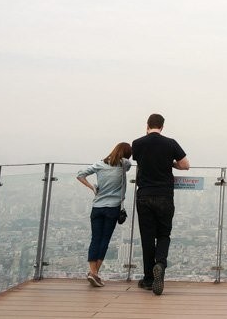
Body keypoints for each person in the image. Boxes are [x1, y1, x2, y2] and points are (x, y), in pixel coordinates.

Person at [131, 113, 189, 295]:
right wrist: (171, 163)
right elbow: (186, 165)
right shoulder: (170, 143)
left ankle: (148, 279)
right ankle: (160, 264)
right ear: (162, 126)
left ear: (147, 125)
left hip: (144, 195)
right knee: (164, 234)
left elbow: (140, 161)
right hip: (164, 195)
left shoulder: (137, 143)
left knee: (147, 238)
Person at [76, 142, 132, 287]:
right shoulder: (124, 164)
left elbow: (80, 175)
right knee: (105, 240)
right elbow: (127, 164)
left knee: (95, 238)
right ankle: (94, 274)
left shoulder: (99, 164)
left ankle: (93, 273)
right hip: (112, 208)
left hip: (97, 207)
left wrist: (92, 187)